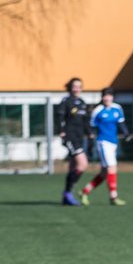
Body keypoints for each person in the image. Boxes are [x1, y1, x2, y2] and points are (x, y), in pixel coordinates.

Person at [80, 88, 129, 206]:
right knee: (112, 167)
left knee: (104, 173)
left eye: (109, 96)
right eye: (105, 96)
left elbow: (121, 123)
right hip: (103, 142)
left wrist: (126, 133)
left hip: (114, 142)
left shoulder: (117, 108)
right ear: (102, 98)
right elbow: (91, 127)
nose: (107, 98)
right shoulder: (98, 110)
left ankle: (85, 191)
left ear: (112, 97)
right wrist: (90, 145)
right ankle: (113, 197)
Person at [55, 78, 89, 206]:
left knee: (73, 166)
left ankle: (67, 196)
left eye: (79, 86)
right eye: (75, 86)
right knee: (83, 163)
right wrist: (62, 131)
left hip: (79, 138)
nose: (77, 89)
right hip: (70, 137)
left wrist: (90, 133)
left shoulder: (82, 103)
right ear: (70, 87)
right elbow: (60, 118)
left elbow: (85, 121)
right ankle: (68, 193)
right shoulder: (66, 102)